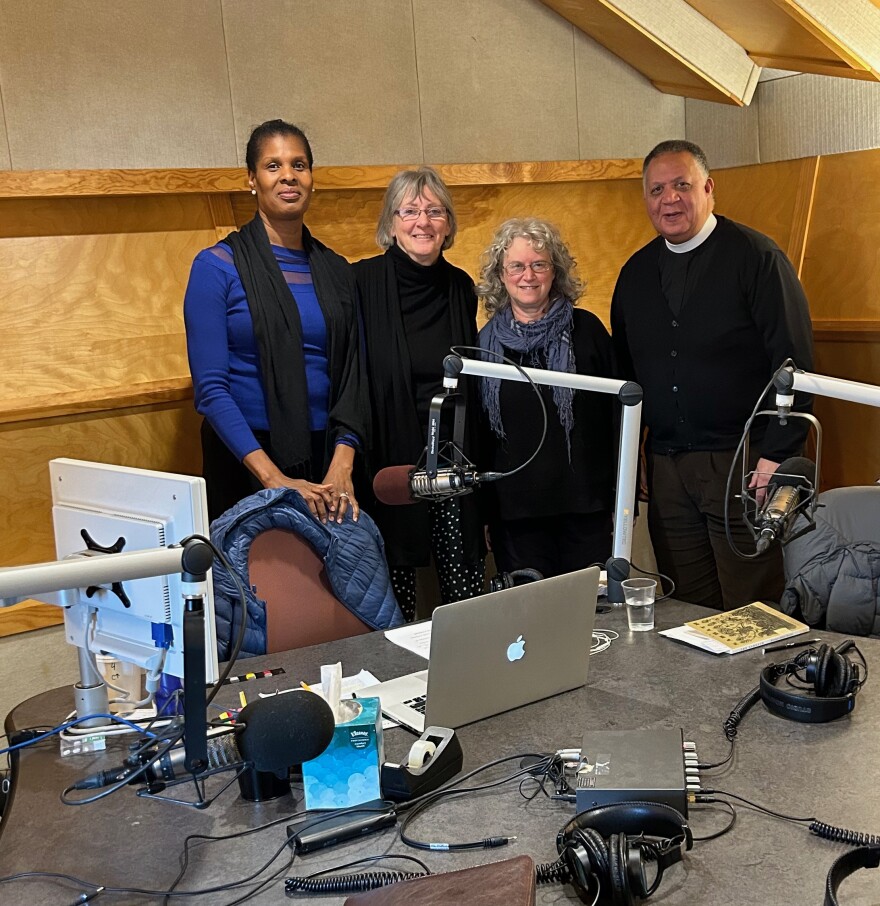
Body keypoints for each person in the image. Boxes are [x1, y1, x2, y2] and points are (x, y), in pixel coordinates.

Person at [610, 139, 814, 611]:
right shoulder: (634, 275)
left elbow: (794, 364)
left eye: (682, 185)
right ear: (646, 200)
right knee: (686, 605)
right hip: (666, 471)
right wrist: (633, 453)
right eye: (657, 189)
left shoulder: (757, 259)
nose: (670, 199)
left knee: (753, 603)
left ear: (708, 187)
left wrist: (778, 456)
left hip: (744, 463)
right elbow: (627, 379)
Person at [184, 119, 368, 524]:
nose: (288, 175)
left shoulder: (337, 270)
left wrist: (342, 465)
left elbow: (356, 376)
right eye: (273, 166)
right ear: (252, 179)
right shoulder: (216, 268)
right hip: (247, 464)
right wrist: (275, 479)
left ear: (312, 178)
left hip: (329, 465)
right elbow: (211, 390)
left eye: (299, 165)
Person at [355, 167, 484, 620]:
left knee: (465, 588)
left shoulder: (461, 287)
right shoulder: (361, 284)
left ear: (448, 223)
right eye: (409, 211)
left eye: (434, 211)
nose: (422, 222)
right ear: (391, 222)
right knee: (393, 597)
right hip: (388, 461)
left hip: (453, 459)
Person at [476, 218, 616, 579]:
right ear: (500, 275)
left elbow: (616, 418)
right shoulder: (483, 346)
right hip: (515, 518)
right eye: (517, 266)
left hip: (585, 510)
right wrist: (485, 514)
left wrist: (620, 498)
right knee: (531, 625)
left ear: (555, 272)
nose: (528, 276)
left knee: (595, 622)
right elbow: (479, 439)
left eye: (539, 264)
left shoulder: (587, 331)